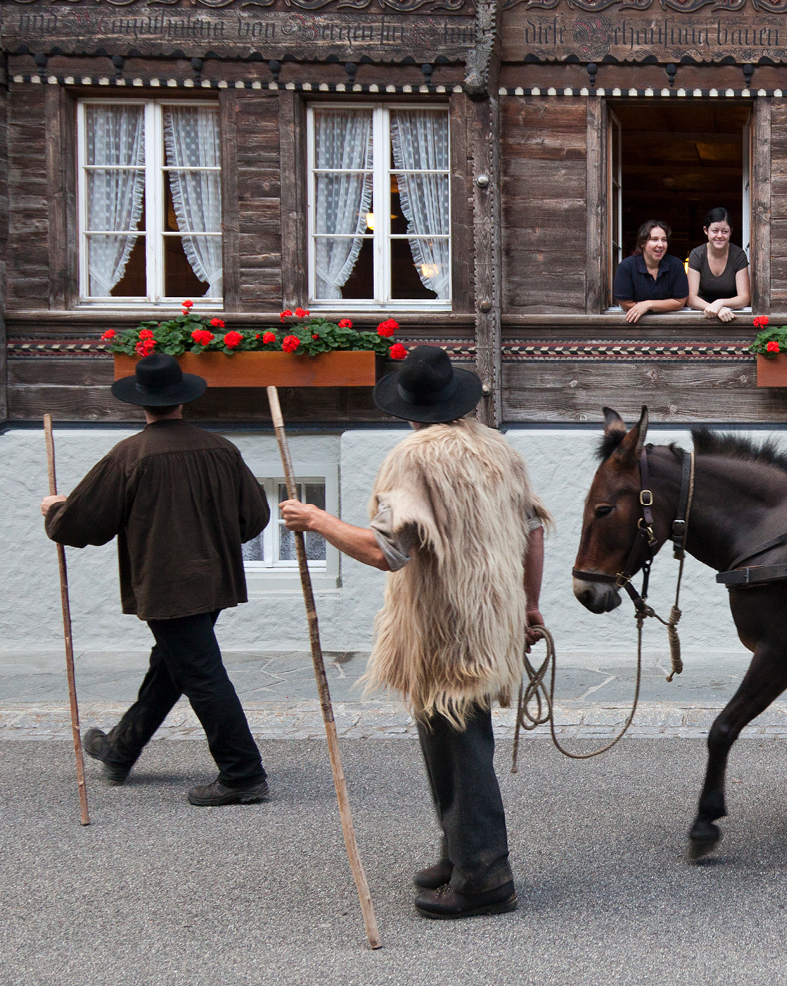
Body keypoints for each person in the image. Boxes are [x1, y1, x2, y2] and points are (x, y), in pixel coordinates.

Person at [280, 346, 549, 920]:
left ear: (409, 408)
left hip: (444, 624)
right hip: (488, 620)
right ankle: (459, 853)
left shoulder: (412, 456)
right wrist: (529, 609)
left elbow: (386, 552)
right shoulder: (497, 448)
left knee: (459, 743)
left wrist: (317, 521)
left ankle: (485, 875)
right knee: (451, 737)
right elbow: (533, 531)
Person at [41, 354, 271, 806]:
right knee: (172, 665)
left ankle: (243, 773)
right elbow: (256, 516)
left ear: (141, 404)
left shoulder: (130, 455)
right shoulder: (221, 448)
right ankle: (121, 750)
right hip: (215, 580)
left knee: (202, 674)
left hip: (168, 585)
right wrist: (217, 542)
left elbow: (84, 525)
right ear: (183, 400)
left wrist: (55, 512)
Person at [612, 219, 687, 322]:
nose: (660, 245)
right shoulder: (626, 266)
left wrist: (648, 305)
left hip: (670, 324)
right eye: (654, 239)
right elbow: (626, 304)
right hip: (636, 325)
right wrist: (664, 306)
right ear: (642, 243)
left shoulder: (676, 265)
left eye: (664, 240)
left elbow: (680, 302)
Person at [686, 207, 751, 321]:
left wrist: (720, 303)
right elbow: (691, 298)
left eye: (725, 231)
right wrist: (714, 309)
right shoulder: (697, 255)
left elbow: (745, 298)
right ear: (706, 230)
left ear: (731, 231)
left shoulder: (738, 255)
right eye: (715, 231)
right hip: (701, 317)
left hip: (731, 317)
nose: (720, 236)